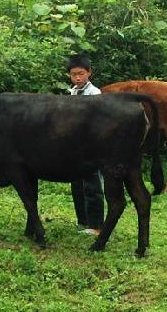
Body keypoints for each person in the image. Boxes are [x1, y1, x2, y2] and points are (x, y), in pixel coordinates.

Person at [66, 52, 105, 236]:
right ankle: (83, 221)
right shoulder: (72, 92)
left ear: (90, 73)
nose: (78, 77)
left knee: (93, 184)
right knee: (77, 184)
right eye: (74, 74)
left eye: (81, 73)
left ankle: (97, 225)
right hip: (75, 146)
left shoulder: (95, 94)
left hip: (91, 145)